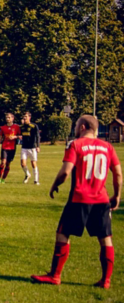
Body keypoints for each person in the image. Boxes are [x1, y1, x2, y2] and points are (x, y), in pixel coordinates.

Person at [32, 115, 121, 289]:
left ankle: (55, 275)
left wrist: (54, 185)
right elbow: (117, 173)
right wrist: (117, 195)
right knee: (105, 239)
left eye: (76, 125)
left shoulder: (76, 144)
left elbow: (66, 172)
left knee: (63, 234)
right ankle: (106, 280)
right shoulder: (108, 147)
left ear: (82, 127)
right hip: (101, 200)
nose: (74, 128)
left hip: (79, 198)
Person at [0, 113, 21, 184]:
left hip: (12, 148)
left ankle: (3, 179)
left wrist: (15, 137)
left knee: (8, 164)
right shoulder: (3, 127)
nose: (7, 119)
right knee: (3, 162)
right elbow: (1, 137)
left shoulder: (16, 127)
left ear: (13, 118)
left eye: (9, 117)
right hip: (4, 147)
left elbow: (20, 136)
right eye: (6, 117)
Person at [20, 112, 41, 184]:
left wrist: (38, 146)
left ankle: (36, 180)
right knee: (23, 163)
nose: (24, 118)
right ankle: (27, 174)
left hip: (32, 147)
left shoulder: (34, 126)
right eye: (24, 116)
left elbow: (38, 136)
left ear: (29, 117)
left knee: (33, 163)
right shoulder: (22, 127)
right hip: (24, 147)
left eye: (26, 116)